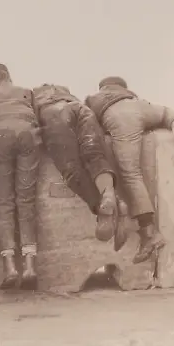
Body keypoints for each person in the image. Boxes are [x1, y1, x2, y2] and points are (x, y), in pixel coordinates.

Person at [85, 77, 174, 264]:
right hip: (142, 109)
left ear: (103, 87)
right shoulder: (132, 97)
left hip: (118, 118)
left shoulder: (95, 99)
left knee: (130, 174)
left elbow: (86, 124)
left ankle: (149, 233)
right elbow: (161, 111)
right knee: (166, 114)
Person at [33, 83, 129, 251]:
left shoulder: (33, 96)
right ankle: (109, 192)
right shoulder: (65, 90)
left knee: (72, 168)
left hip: (53, 114)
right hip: (79, 108)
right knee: (93, 153)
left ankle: (101, 209)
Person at [0, 64, 41, 290]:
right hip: (27, 135)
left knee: (4, 203)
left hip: (0, 138)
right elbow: (37, 116)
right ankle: (31, 266)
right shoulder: (25, 91)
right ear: (9, 77)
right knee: (27, 201)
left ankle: (11, 267)